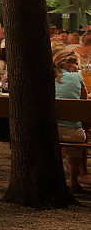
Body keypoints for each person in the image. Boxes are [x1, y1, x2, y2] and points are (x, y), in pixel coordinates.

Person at [53, 50, 91, 191]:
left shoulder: (47, 76)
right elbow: (84, 102)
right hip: (72, 133)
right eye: (77, 64)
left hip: (47, 130)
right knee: (80, 133)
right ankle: (74, 180)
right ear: (73, 65)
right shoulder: (77, 77)